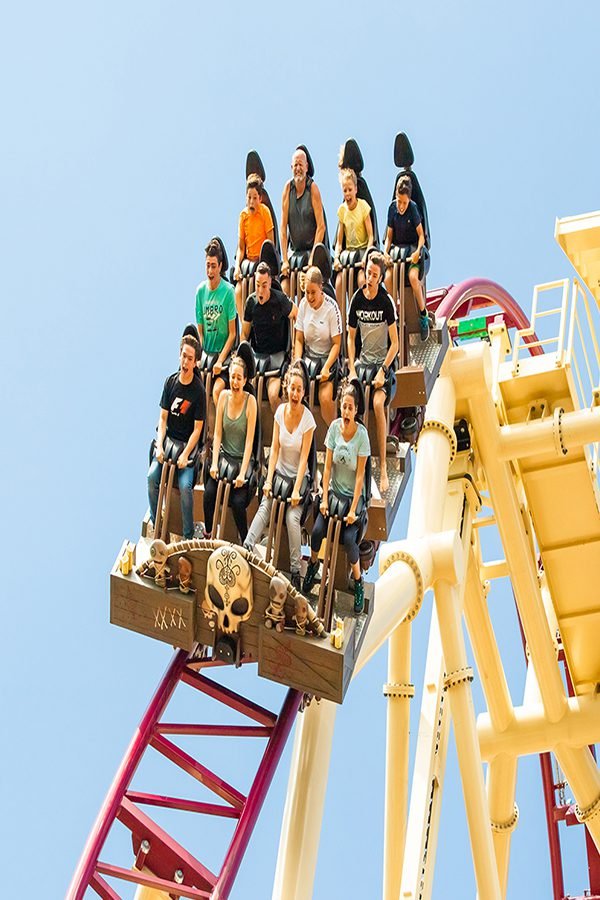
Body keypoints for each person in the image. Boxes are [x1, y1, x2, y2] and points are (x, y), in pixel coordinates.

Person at [243, 361, 316, 591]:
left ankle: (295, 571)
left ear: (303, 393)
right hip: (280, 472)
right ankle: (247, 546)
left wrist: (296, 489)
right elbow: (274, 449)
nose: (295, 394)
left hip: (297, 477)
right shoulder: (280, 413)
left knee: (292, 518)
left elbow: (304, 458)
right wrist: (268, 479)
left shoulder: (308, 420)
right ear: (286, 388)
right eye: (292, 388)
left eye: (299, 390)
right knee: (266, 506)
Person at [303, 380, 370, 613]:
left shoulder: (362, 436)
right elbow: (328, 467)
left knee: (350, 541)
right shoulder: (333, 429)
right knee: (317, 532)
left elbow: (360, 476)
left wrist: (353, 509)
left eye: (351, 408)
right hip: (334, 494)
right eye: (344, 407)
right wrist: (323, 498)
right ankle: (313, 565)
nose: (346, 412)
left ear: (356, 410)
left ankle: (358, 581)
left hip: (351, 498)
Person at [347, 251, 398, 493]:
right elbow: (350, 337)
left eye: (374, 275)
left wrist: (383, 371)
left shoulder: (386, 302)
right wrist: (351, 367)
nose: (369, 278)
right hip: (363, 363)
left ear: (380, 278)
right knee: (350, 400)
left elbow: (395, 344)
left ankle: (383, 466)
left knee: (377, 404)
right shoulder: (357, 299)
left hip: (382, 365)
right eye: (368, 272)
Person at [148, 335, 205, 540]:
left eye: (190, 358)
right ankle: (157, 523)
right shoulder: (170, 382)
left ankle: (188, 534)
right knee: (152, 477)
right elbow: (163, 418)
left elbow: (197, 430)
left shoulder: (198, 391)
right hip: (168, 441)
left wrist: (186, 454)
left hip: (185, 446)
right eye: (183, 356)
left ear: (195, 362)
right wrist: (160, 445)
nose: (185, 362)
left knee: (185, 488)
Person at [203, 345, 258, 543]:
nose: (235, 382)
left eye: (239, 378)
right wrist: (214, 463)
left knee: (237, 503)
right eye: (232, 377)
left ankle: (245, 541)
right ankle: (208, 533)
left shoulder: (250, 402)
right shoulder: (224, 397)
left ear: (245, 380)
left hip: (241, 460)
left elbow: (250, 441)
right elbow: (218, 433)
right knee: (209, 494)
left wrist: (243, 473)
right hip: (224, 456)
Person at [242, 261, 297, 413]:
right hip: (257, 357)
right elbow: (244, 334)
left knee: (273, 395)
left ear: (270, 283)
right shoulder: (251, 302)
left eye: (264, 286)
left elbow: (297, 315)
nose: (260, 290)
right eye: (257, 285)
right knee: (246, 391)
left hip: (276, 357)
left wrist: (294, 347)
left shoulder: (279, 300)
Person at [194, 237, 237, 431]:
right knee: (199, 392)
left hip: (223, 357)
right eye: (207, 266)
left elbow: (232, 334)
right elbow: (201, 331)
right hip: (207, 356)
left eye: (213, 266)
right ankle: (204, 436)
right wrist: (201, 356)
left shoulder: (228, 292)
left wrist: (220, 360)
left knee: (217, 391)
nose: (210, 271)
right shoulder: (200, 292)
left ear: (220, 267)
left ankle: (222, 433)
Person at [294, 266, 342, 425]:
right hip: (309, 358)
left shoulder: (332, 308)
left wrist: (327, 367)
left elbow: (337, 344)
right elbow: (299, 339)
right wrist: (298, 362)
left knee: (325, 398)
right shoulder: (303, 304)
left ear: (321, 288)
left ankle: (334, 431)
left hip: (327, 358)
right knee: (294, 391)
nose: (309, 297)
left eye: (313, 292)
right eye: (307, 292)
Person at [383, 175, 429, 341]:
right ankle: (393, 315)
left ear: (409, 199)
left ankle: (423, 315)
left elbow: (421, 236)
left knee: (413, 278)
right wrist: (385, 252)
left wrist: (417, 251)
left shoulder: (413, 209)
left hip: (413, 253)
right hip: (397, 254)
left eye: (404, 202)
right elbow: (389, 236)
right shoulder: (392, 208)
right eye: (399, 201)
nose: (401, 206)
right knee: (388, 278)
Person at [279, 147, 326, 296]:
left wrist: (313, 258)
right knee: (284, 286)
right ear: (291, 167)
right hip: (295, 251)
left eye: (301, 164)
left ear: (306, 167)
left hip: (311, 251)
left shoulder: (313, 189)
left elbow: (321, 227)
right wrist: (285, 260)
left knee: (309, 281)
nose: (298, 168)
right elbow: (283, 228)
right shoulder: (288, 189)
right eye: (295, 165)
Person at [234, 174, 275, 321]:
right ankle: (244, 324)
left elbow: (270, 243)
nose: (251, 202)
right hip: (249, 261)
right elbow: (241, 247)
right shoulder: (243, 216)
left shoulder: (264, 212)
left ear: (260, 198)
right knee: (238, 290)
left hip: (262, 261)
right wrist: (237, 267)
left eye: (255, 198)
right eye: (249, 197)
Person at [333, 168, 374, 308]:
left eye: (350, 190)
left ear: (356, 189)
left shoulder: (363, 207)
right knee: (339, 281)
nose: (347, 193)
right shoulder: (342, 210)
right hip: (349, 256)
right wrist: (337, 258)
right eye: (345, 190)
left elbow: (371, 236)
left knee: (361, 279)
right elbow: (339, 242)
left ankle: (364, 313)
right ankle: (341, 317)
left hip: (362, 254)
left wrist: (366, 255)